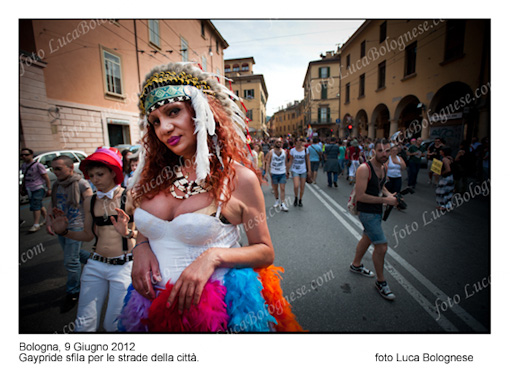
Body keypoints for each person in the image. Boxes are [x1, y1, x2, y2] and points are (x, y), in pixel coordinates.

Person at [117, 62, 302, 332]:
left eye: (173, 112)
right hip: (149, 311)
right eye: (155, 121)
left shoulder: (238, 180)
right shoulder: (152, 176)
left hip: (214, 316)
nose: (164, 127)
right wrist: (141, 246)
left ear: (203, 111)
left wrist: (213, 257)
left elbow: (264, 251)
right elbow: (151, 229)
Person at [50, 147, 136, 331]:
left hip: (123, 266)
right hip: (95, 265)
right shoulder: (90, 200)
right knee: (83, 324)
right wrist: (64, 232)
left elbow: (146, 234)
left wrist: (128, 232)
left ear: (113, 173)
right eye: (91, 175)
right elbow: (88, 235)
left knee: (113, 325)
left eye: (99, 174)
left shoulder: (130, 196)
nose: (94, 180)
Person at [349, 139, 398, 301]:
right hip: (367, 212)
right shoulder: (364, 169)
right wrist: (386, 201)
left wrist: (389, 195)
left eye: (387, 151)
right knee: (381, 246)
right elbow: (361, 196)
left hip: (377, 210)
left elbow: (380, 186)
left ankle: (356, 265)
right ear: (373, 152)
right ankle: (381, 282)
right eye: (380, 151)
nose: (384, 154)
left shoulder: (384, 166)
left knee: (367, 238)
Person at [46, 155, 93, 312]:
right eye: (53, 169)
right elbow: (53, 204)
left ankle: (73, 291)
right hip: (61, 227)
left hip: (76, 226)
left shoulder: (81, 183)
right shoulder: (57, 184)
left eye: (58, 168)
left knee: (70, 261)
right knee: (76, 254)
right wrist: (49, 222)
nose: (55, 172)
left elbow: (92, 204)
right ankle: (97, 262)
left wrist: (91, 225)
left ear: (70, 168)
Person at [20, 148, 51, 232]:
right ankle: (46, 218)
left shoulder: (38, 165)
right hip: (29, 188)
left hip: (38, 187)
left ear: (31, 155)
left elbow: (46, 177)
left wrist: (49, 188)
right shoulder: (23, 166)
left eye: (26, 154)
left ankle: (36, 224)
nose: (24, 156)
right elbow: (24, 177)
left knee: (35, 205)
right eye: (22, 155)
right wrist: (22, 187)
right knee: (38, 204)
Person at [265, 139, 289, 212]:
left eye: (280, 142)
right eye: (277, 142)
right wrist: (266, 173)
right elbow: (268, 163)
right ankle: (277, 200)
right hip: (274, 172)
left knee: (282, 188)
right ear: (275, 143)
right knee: (275, 189)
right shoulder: (271, 152)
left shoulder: (284, 152)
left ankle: (283, 203)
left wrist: (287, 171)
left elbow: (285, 162)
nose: (279, 143)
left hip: (282, 172)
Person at [288, 137, 311, 207]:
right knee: (296, 185)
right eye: (298, 141)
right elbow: (291, 161)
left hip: (303, 170)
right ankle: (296, 197)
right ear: (296, 142)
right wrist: (287, 170)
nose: (300, 142)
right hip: (295, 170)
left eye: (301, 141)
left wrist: (309, 170)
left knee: (302, 187)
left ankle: (300, 199)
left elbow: (308, 160)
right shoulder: (292, 151)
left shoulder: (306, 150)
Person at [435, 147, 455, 211]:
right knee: (448, 192)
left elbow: (448, 169)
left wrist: (441, 173)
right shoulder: (450, 158)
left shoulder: (445, 159)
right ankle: (448, 205)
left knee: (442, 191)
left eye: (441, 151)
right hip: (450, 177)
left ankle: (443, 205)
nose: (440, 152)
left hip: (446, 177)